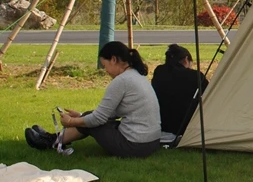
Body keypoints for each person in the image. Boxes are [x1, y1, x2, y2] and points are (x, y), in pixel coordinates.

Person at [24, 42, 161, 158]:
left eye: (105, 65)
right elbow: (114, 112)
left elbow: (98, 120)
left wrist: (71, 121)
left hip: (135, 146)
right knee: (89, 116)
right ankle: (53, 138)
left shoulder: (122, 81)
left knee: (93, 123)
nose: (105, 70)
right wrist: (82, 115)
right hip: (151, 142)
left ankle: (50, 142)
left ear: (113, 60)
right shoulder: (136, 75)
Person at [151, 44, 209, 137]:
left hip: (162, 124)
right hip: (186, 127)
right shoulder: (195, 76)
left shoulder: (159, 71)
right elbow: (209, 96)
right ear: (186, 59)